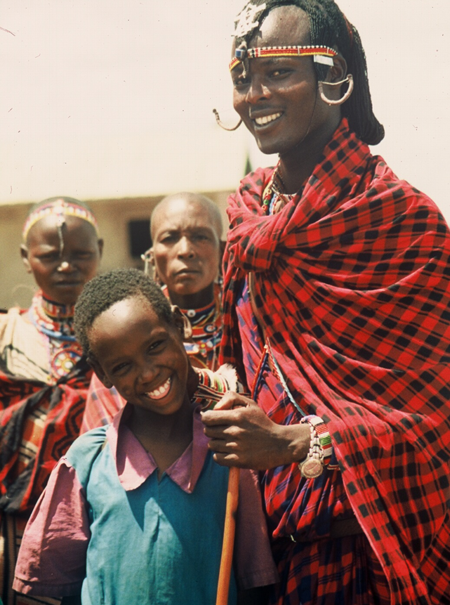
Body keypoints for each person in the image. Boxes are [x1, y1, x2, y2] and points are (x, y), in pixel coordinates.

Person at [202, 1, 450, 604]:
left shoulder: (403, 221)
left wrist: (293, 444)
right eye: (242, 78)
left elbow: (434, 418)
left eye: (278, 73)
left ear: (333, 76)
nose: (253, 94)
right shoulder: (245, 221)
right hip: (264, 562)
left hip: (371, 554)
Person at [13, 268, 278, 605]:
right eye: (123, 366)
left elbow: (256, 584)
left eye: (155, 345)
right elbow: (41, 588)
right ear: (102, 372)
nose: (149, 372)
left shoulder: (229, 454)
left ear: (178, 325)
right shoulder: (87, 463)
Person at [0, 196, 103, 605]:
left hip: (99, 515)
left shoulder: (118, 336)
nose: (66, 265)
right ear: (26, 258)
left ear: (100, 252)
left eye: (80, 254)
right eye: (50, 255)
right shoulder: (7, 335)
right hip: (14, 523)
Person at [81, 191, 224, 431]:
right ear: (152, 255)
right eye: (170, 238)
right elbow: (106, 444)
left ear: (222, 248)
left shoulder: (249, 323)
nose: (185, 250)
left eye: (201, 236)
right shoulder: (125, 330)